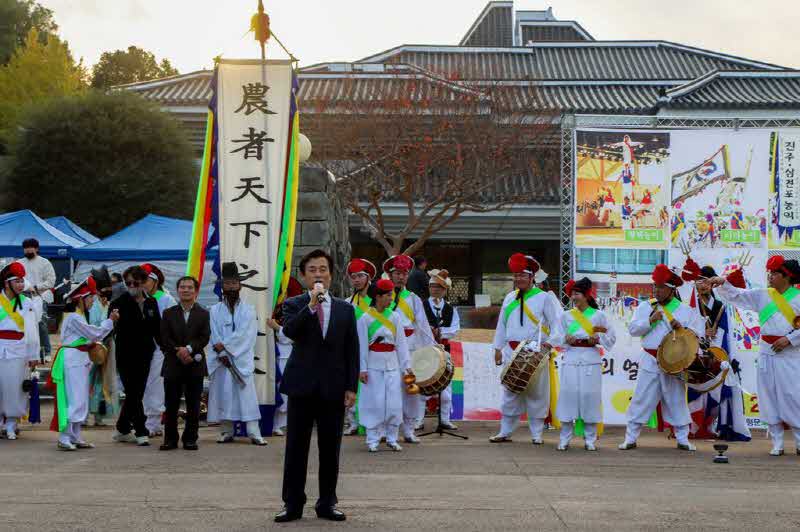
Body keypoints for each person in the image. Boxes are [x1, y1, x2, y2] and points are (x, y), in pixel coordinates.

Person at [275, 249, 359, 523]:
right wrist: (311, 305)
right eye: (312, 269)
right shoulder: (293, 304)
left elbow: (352, 350)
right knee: (296, 448)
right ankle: (292, 504)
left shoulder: (346, 309)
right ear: (303, 275)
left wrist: (351, 387)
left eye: (323, 269)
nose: (318, 274)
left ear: (331, 275)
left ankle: (327, 503)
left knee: (330, 449)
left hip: (333, 388)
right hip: (302, 386)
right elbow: (289, 332)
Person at [709, 256, 800, 455]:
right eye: (770, 273)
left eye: (775, 273)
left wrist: (790, 340)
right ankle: (777, 442)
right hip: (767, 354)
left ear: (787, 277)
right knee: (769, 398)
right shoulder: (763, 295)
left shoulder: (798, 297)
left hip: (791, 356)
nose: (770, 277)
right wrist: (723, 282)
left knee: (793, 397)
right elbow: (739, 295)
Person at [619, 264, 705, 452]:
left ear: (671, 289)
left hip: (674, 363)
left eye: (661, 287)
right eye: (655, 287)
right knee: (641, 398)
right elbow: (633, 330)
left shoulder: (684, 310)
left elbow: (698, 334)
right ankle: (630, 438)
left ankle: (683, 438)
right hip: (650, 360)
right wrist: (650, 321)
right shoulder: (645, 307)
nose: (656, 291)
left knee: (676, 399)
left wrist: (681, 328)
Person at [490, 253, 563, 444]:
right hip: (511, 352)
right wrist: (497, 348)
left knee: (537, 394)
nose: (518, 279)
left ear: (532, 277)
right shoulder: (509, 298)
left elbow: (557, 324)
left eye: (522, 275)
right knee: (509, 393)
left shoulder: (544, 298)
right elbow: (502, 325)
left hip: (535, 352)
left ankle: (536, 434)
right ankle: (505, 432)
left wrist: (550, 343)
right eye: (516, 276)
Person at [52, 277, 118, 450]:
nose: (92, 302)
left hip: (80, 360)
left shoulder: (78, 316)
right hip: (73, 360)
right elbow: (94, 333)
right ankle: (65, 436)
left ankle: (75, 435)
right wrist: (110, 321)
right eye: (90, 298)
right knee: (75, 397)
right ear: (80, 299)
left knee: (80, 397)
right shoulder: (74, 317)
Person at [208, 262, 267, 446]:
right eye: (227, 284)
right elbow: (213, 333)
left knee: (246, 396)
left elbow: (246, 335)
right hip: (221, 361)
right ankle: (226, 431)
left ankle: (254, 432)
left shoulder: (249, 310)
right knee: (223, 394)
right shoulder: (214, 310)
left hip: (240, 359)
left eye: (234, 283)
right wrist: (221, 352)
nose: (231, 287)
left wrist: (225, 349)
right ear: (222, 286)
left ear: (240, 285)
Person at [557, 278, 616, 451]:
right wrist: (565, 339)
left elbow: (611, 338)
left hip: (591, 358)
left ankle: (590, 439)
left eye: (577, 293)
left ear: (586, 295)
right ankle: (564, 438)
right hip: (571, 357)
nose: (573, 297)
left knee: (589, 396)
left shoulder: (599, 316)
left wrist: (597, 339)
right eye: (572, 293)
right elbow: (557, 337)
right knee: (569, 395)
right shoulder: (566, 316)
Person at [383, 254, 436, 443]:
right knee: (388, 390)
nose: (400, 277)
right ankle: (386, 430)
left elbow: (422, 326)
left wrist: (431, 350)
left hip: (411, 349)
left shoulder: (414, 299)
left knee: (410, 390)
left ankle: (409, 429)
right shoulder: (381, 298)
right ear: (390, 275)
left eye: (404, 274)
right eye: (397, 273)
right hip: (389, 350)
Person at [357, 278, 412, 452]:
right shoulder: (365, 318)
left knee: (394, 403)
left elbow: (401, 345)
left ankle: (392, 437)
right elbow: (361, 346)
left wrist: (406, 367)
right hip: (373, 365)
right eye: (388, 295)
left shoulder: (395, 317)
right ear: (378, 296)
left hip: (393, 364)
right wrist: (362, 369)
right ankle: (373, 439)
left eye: (392, 295)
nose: (391, 298)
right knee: (375, 402)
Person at [109, 266, 162, 446]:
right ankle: (141, 429)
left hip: (146, 354)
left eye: (135, 282)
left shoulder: (152, 302)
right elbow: (109, 328)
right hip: (125, 354)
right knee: (133, 391)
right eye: (128, 282)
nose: (131, 285)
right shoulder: (119, 302)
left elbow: (157, 329)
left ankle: (123, 427)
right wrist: (112, 320)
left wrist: (169, 349)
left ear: (143, 282)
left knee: (136, 392)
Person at [159, 276, 210, 451]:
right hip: (173, 364)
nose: (186, 290)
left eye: (189, 287)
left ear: (195, 291)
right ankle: (170, 439)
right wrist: (178, 350)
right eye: (182, 287)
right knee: (171, 404)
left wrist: (188, 349)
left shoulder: (203, 313)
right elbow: (164, 338)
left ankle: (190, 439)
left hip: (194, 365)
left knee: (193, 404)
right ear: (177, 290)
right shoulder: (168, 313)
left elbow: (204, 337)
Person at [0, 263, 40, 440]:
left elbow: (32, 331)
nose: (21, 285)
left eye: (22, 281)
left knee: (15, 389)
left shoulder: (27, 303)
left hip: (18, 351)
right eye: (17, 281)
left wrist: (34, 355)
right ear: (7, 283)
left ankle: (11, 424)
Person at [421, 268, 460, 430]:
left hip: (444, 351)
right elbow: (418, 326)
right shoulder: (421, 305)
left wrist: (440, 331)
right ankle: (418, 420)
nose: (435, 290)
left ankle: (444, 419)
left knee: (445, 387)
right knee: (421, 385)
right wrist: (429, 330)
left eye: (438, 287)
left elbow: (455, 329)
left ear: (444, 290)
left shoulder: (451, 309)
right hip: (426, 351)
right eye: (432, 287)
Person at [141, 263, 177, 437]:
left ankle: (153, 422)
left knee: (155, 385)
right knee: (145, 385)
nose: (142, 283)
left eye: (146, 280)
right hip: (143, 349)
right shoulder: (139, 298)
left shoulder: (166, 299)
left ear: (155, 281)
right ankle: (149, 422)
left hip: (160, 349)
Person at [344, 258, 377, 435]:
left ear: (368, 277)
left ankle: (372, 421)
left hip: (374, 349)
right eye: (353, 277)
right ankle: (353, 421)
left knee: (372, 385)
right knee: (353, 383)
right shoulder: (348, 302)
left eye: (359, 276)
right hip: (354, 348)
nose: (356, 280)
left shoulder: (378, 301)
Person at [269, 277, 304, 436]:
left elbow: (293, 336)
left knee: (284, 389)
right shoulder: (271, 308)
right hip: (270, 353)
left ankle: (281, 423)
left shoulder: (295, 311)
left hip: (286, 354)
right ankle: (272, 421)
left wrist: (277, 328)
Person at [87, 270, 118, 426]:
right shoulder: (93, 304)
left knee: (103, 381)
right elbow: (94, 325)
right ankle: (85, 415)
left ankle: (99, 414)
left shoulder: (109, 303)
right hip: (93, 346)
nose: (107, 293)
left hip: (108, 344)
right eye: (104, 290)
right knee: (89, 380)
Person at [18, 238, 55, 362]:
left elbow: (51, 281)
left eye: (30, 247)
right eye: (26, 247)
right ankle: (27, 352)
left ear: (36, 249)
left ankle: (47, 351)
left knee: (41, 324)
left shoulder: (45, 262)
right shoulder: (19, 263)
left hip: (40, 296)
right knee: (24, 324)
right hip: (23, 297)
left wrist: (36, 287)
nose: (28, 249)